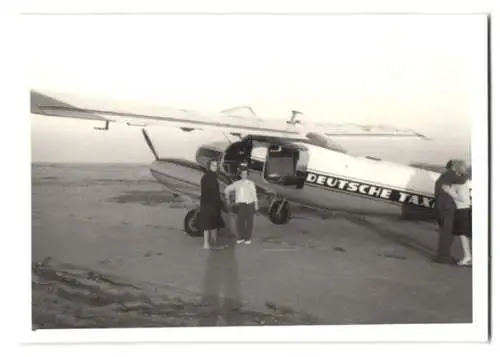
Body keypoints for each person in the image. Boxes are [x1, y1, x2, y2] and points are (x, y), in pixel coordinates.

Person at [433, 159, 468, 265]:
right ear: (453, 167)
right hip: (446, 208)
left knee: (446, 233)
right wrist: (465, 174)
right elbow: (463, 179)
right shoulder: (450, 175)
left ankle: (443, 255)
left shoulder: (444, 176)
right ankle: (443, 258)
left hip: (441, 207)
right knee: (447, 234)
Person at [442, 161, 472, 266]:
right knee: (466, 235)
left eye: (453, 169)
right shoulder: (465, 180)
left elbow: (461, 199)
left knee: (463, 236)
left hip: (462, 210)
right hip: (467, 209)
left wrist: (449, 191)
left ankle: (467, 257)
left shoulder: (459, 183)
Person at [223, 166, 259, 245]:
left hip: (250, 204)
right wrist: (227, 197)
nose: (244, 175)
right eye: (243, 174)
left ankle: (247, 238)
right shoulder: (237, 184)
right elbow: (227, 189)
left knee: (249, 222)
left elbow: (254, 195)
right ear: (240, 175)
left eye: (246, 174)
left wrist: (256, 205)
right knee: (240, 222)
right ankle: (241, 237)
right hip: (241, 205)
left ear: (247, 175)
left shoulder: (251, 183)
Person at [199, 159, 226, 250]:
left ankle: (206, 245)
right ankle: (214, 245)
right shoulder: (211, 178)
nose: (215, 167)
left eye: (216, 165)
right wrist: (222, 205)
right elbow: (215, 193)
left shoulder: (206, 177)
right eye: (213, 165)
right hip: (211, 205)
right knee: (214, 225)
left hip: (206, 204)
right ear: (209, 167)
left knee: (208, 225)